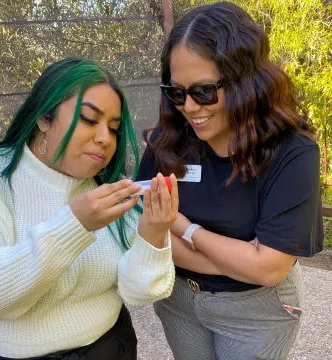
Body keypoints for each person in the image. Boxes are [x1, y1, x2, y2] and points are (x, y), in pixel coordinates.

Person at [138, 2, 324, 359]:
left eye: (204, 91)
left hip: (256, 311)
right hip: (177, 299)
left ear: (245, 81)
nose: (190, 107)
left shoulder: (291, 151)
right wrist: (239, 258)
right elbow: (142, 225)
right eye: (177, 92)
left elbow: (268, 269)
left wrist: (185, 229)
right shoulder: (169, 137)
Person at [0, 57, 179, 360]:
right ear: (44, 116)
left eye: (114, 128)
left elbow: (139, 292)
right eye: (89, 119)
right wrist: (73, 225)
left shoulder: (109, 186)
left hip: (110, 347)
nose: (104, 138)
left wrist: (154, 233)